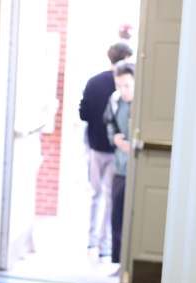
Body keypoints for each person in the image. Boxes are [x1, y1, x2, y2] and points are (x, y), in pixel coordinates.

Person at [79, 42, 133, 260]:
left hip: (95, 146)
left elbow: (83, 113)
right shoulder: (126, 87)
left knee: (95, 194)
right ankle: (105, 246)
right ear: (125, 59)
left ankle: (91, 240)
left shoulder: (94, 82)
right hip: (115, 151)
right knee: (111, 198)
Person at [104, 61, 136, 264]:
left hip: (138, 168)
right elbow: (109, 123)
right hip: (120, 168)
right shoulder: (115, 100)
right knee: (117, 216)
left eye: (127, 85)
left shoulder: (144, 103)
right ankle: (117, 261)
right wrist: (114, 138)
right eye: (118, 85)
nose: (122, 90)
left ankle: (129, 263)